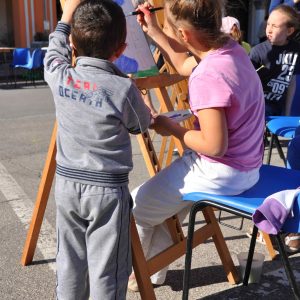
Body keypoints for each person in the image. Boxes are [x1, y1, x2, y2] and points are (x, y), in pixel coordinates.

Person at [127, 0, 265, 291]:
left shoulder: (208, 75)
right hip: (249, 166)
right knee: (165, 206)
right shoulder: (231, 50)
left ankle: (134, 270)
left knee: (132, 207)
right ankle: (153, 273)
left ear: (185, 35)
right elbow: (183, 64)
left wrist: (171, 128)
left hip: (223, 171)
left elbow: (214, 146)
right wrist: (155, 32)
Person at [43, 0, 151, 299]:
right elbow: (140, 126)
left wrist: (66, 16)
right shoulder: (123, 88)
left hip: (66, 186)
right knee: (107, 269)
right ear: (120, 49)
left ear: (73, 43)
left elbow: (54, 49)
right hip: (107, 192)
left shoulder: (59, 74)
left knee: (70, 261)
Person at [249, 4, 300, 116]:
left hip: (278, 109)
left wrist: (287, 112)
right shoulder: (257, 52)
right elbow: (247, 85)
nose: (269, 30)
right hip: (257, 110)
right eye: (268, 24)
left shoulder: (296, 51)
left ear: (289, 31)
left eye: (275, 26)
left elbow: (291, 82)